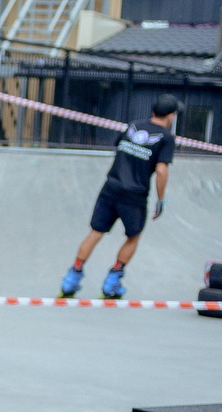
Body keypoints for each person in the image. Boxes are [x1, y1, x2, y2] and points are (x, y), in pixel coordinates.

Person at [60, 92, 176, 300]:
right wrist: (161, 199)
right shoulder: (166, 138)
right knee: (133, 237)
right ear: (171, 116)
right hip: (134, 195)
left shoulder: (133, 126)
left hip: (111, 187)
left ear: (153, 111)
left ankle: (72, 278)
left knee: (96, 232)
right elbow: (161, 170)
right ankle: (112, 280)